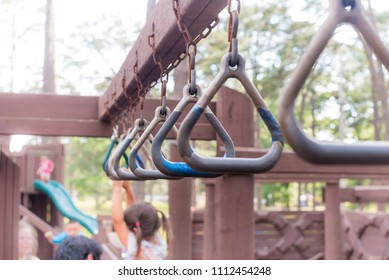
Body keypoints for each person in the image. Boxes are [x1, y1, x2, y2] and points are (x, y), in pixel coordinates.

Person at [111, 180, 171, 260]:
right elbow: (133, 215)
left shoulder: (135, 246)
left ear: (135, 229)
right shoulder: (159, 243)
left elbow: (117, 221)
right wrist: (128, 189)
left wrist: (117, 187)